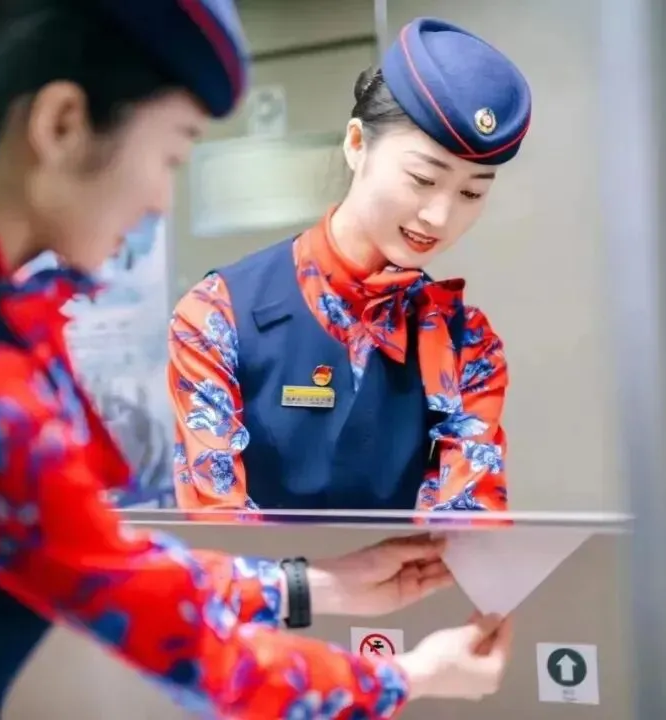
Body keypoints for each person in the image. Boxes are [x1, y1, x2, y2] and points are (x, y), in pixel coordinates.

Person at [0, 3, 512, 719]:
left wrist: (322, 585)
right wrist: (408, 676)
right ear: (61, 124)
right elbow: (174, 633)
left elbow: (116, 561)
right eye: (170, 154)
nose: (162, 198)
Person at [168, 17, 529, 513]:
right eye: (423, 179)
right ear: (357, 144)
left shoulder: (467, 346)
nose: (440, 216)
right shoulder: (217, 315)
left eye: (471, 193)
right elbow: (216, 525)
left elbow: (465, 536)